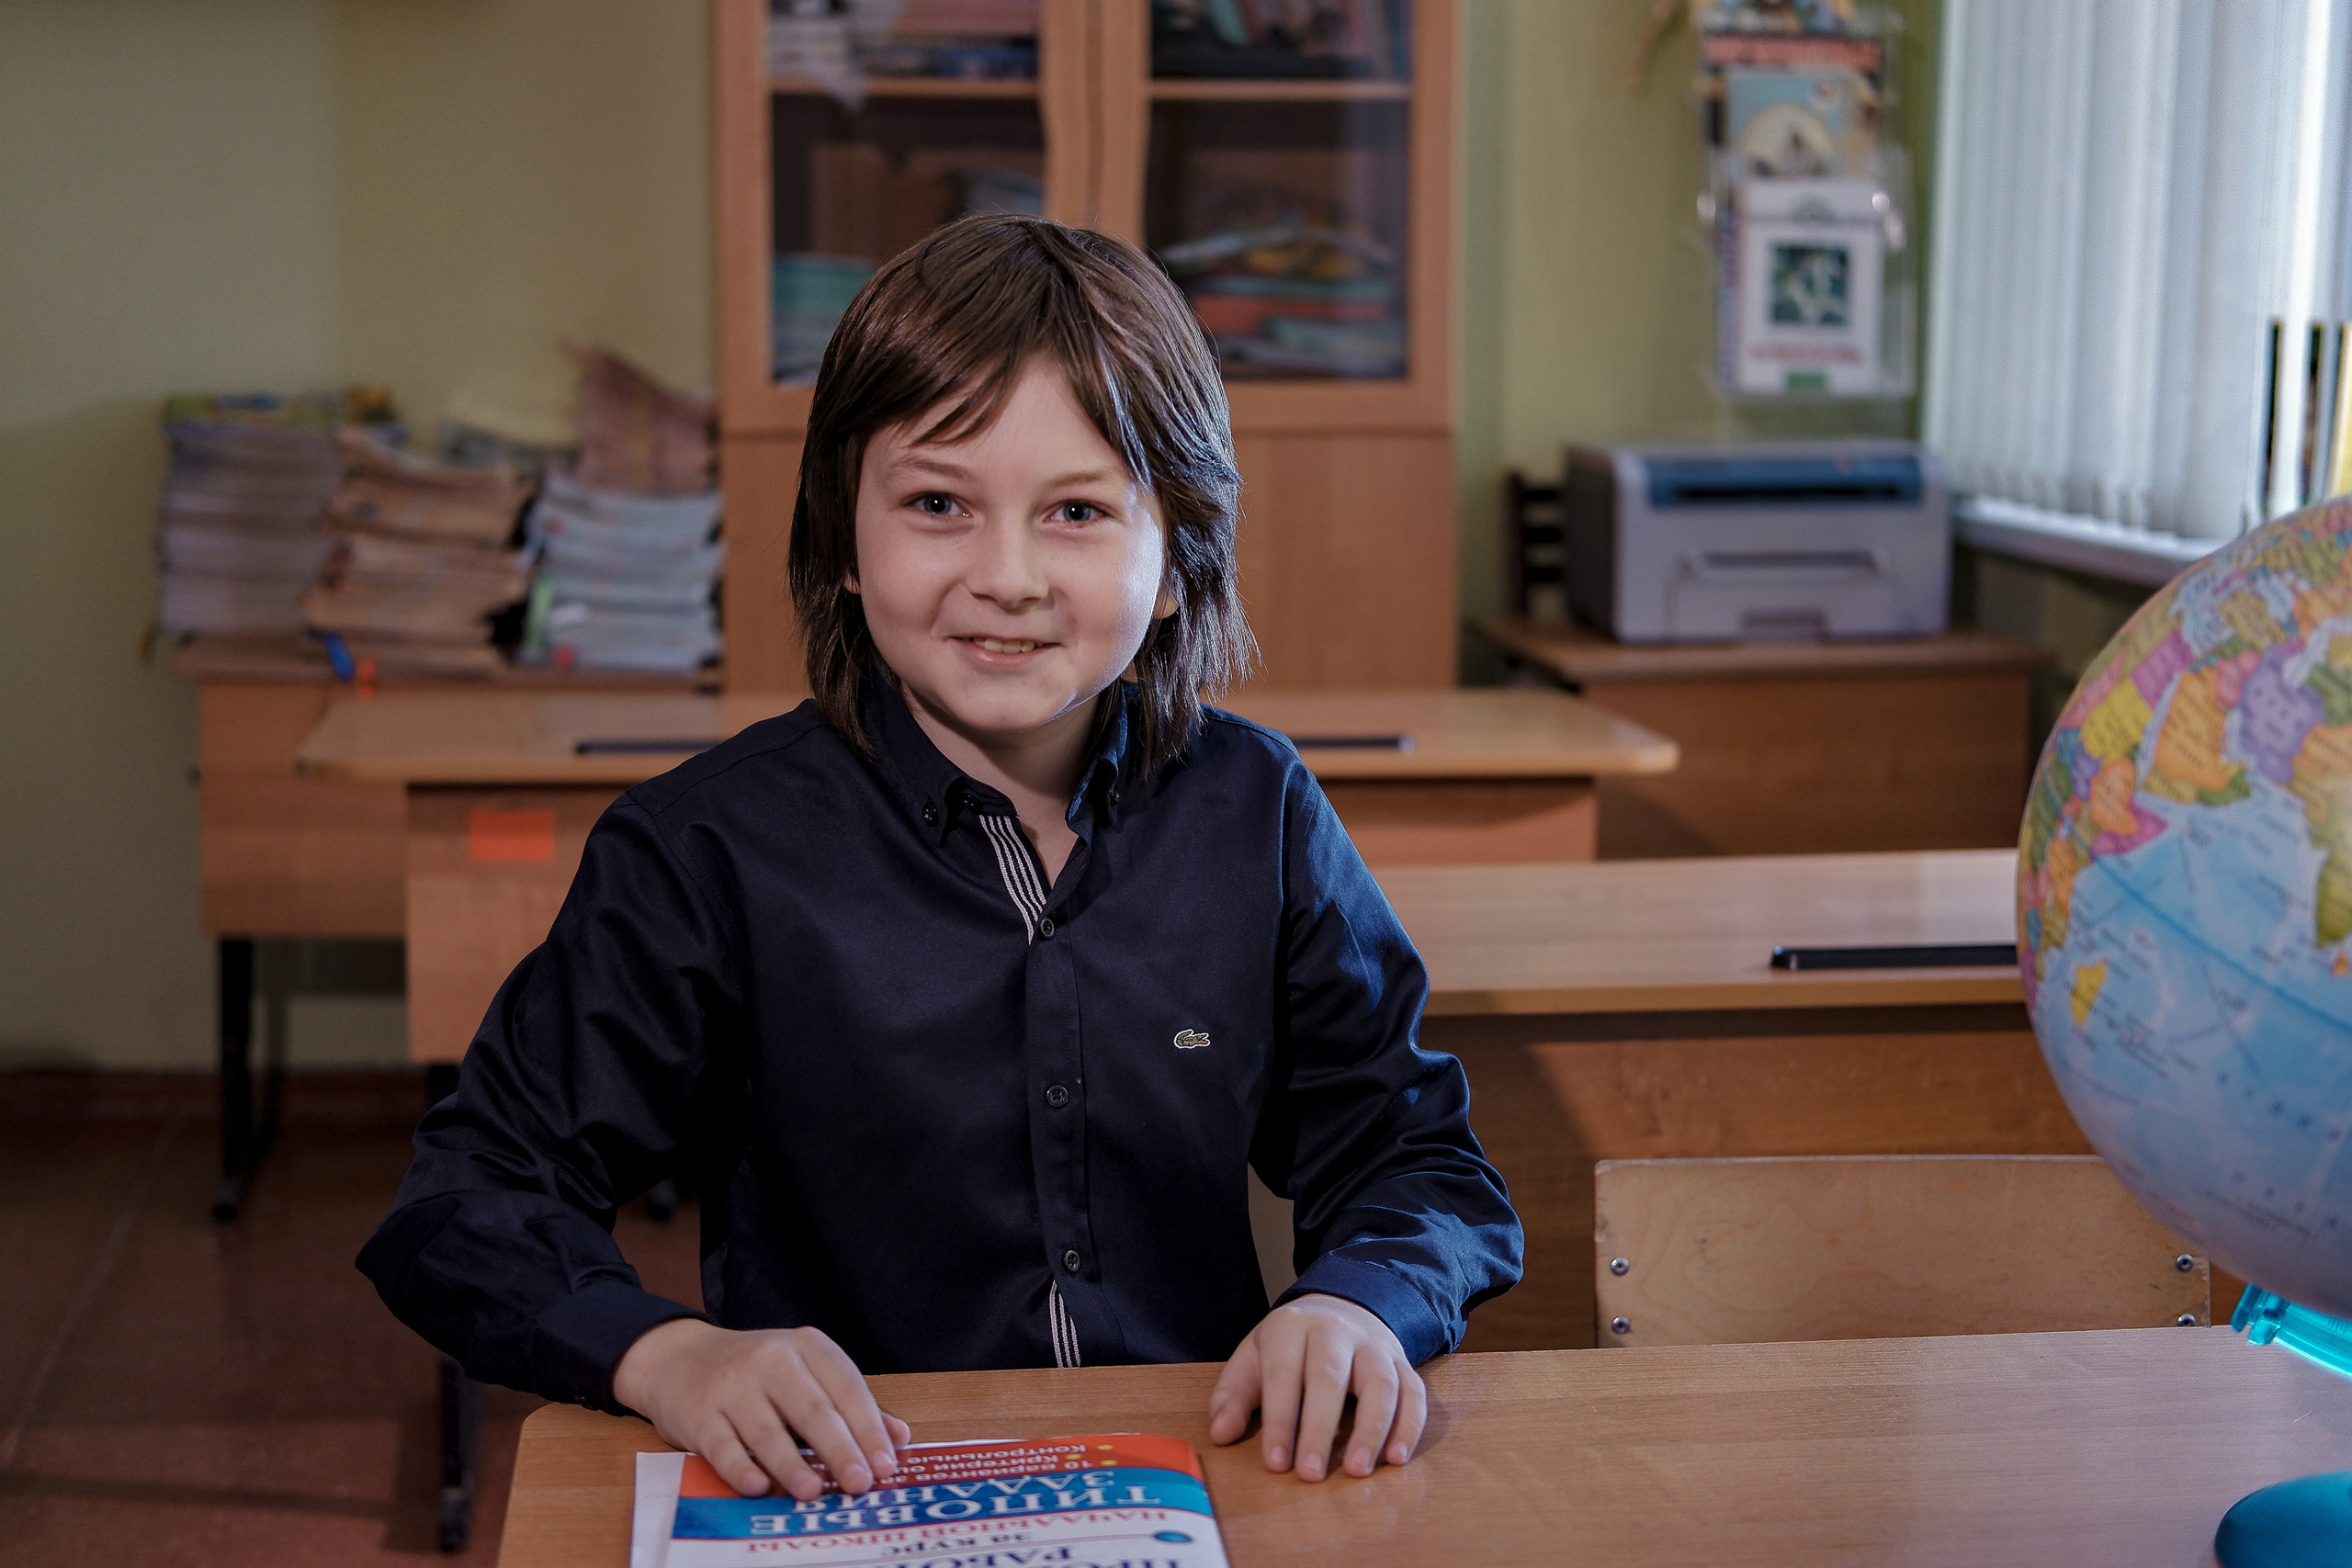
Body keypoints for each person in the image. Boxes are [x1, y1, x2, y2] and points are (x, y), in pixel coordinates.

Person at [358, 213, 1521, 1505]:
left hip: (1200, 1486)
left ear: (1182, 558)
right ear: (842, 541)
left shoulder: (1258, 810)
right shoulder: (707, 848)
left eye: (1077, 510)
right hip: (851, 1497)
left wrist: (1361, 1306)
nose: (1007, 576)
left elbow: (1416, 1157)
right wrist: (666, 1352)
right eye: (936, 504)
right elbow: (465, 1201)